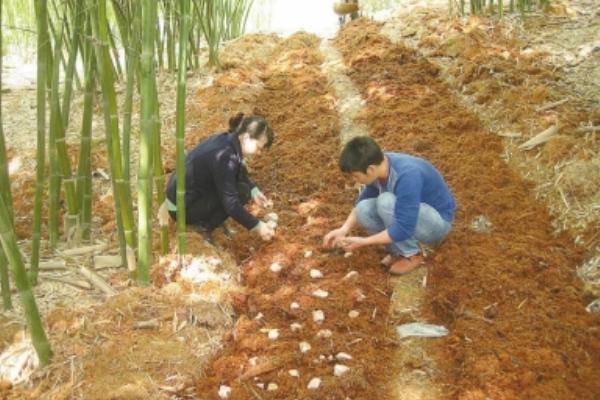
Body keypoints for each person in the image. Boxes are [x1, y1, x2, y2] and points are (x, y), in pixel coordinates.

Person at [323, 136, 456, 275]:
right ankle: (397, 252)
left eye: (355, 176)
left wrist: (364, 242)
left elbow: (404, 227)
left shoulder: (407, 175)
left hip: (437, 224)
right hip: (414, 216)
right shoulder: (381, 166)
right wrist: (344, 229)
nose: (355, 180)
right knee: (363, 209)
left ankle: (411, 254)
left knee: (385, 202)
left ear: (370, 170)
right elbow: (361, 203)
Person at [166, 113, 275, 243]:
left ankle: (209, 217)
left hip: (184, 196)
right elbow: (231, 204)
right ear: (246, 137)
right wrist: (258, 226)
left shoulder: (227, 140)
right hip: (181, 209)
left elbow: (237, 168)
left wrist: (254, 190)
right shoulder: (225, 157)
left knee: (245, 189)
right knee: (241, 192)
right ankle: (204, 227)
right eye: (258, 147)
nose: (259, 153)